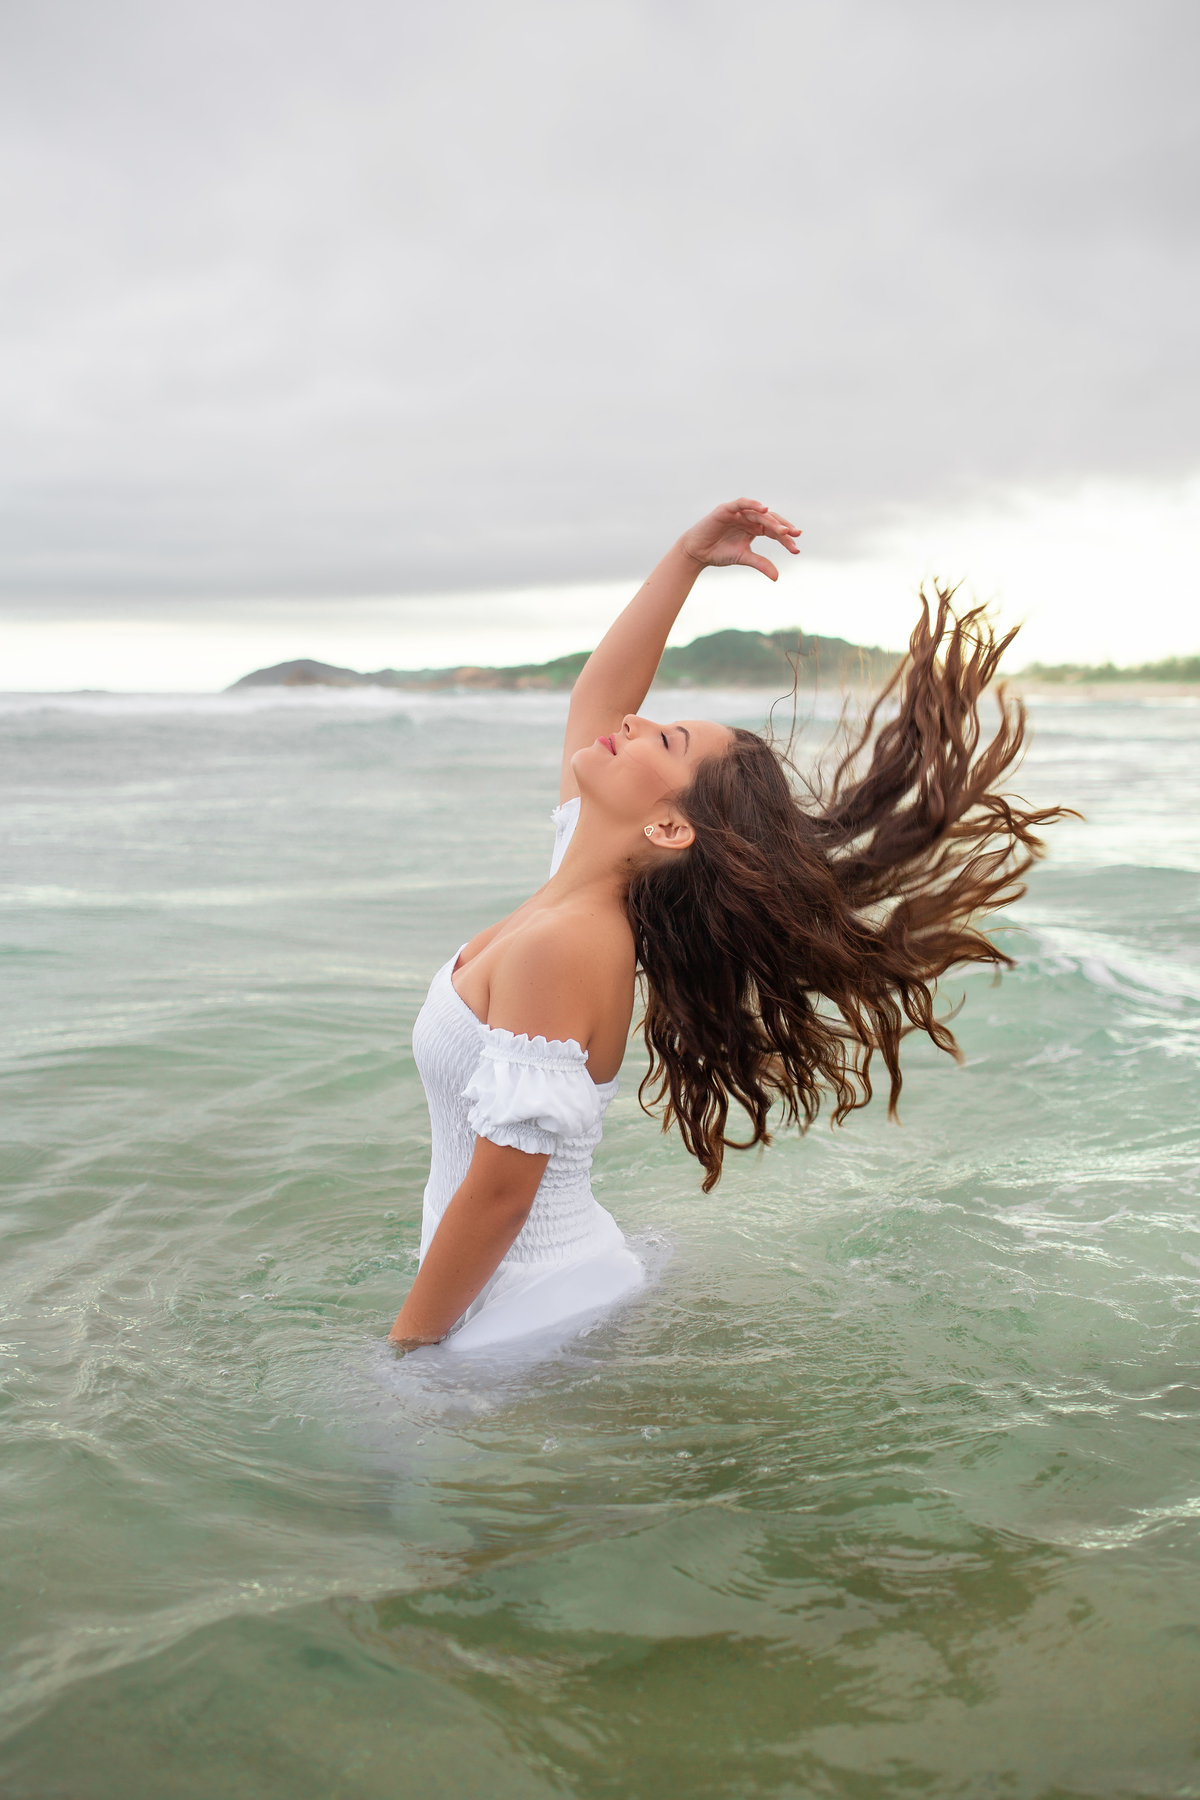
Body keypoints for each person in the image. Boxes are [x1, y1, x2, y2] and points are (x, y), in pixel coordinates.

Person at [388, 498, 1060, 1353]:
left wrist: (406, 1356)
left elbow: (500, 1196)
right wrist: (688, 558)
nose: (628, 726)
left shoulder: (569, 940)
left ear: (669, 827)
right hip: (510, 1297)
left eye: (662, 741)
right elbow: (602, 696)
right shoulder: (582, 877)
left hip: (519, 1320)